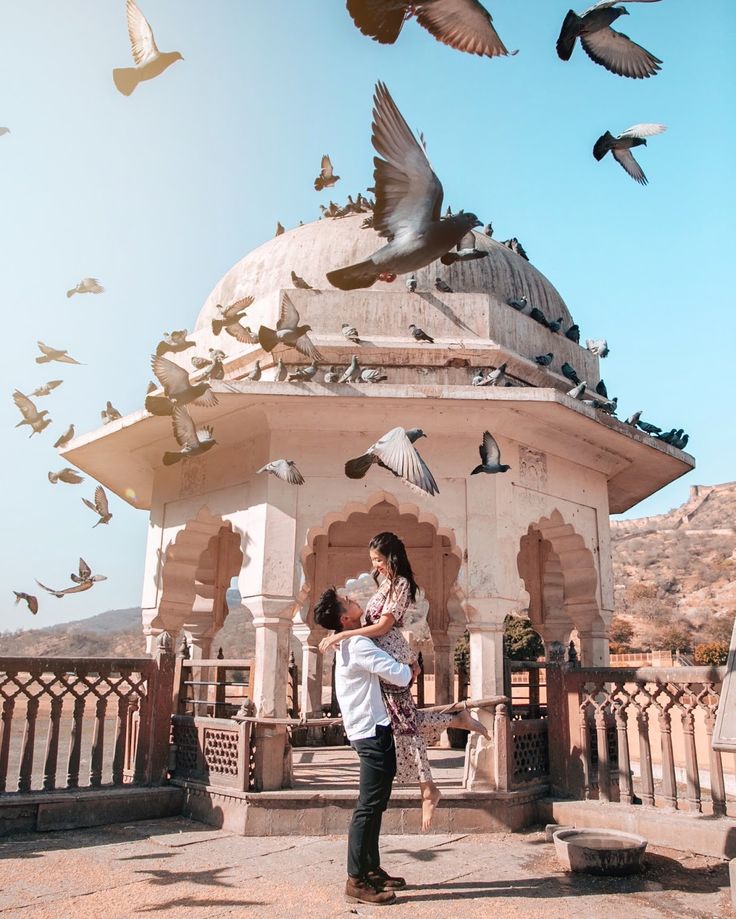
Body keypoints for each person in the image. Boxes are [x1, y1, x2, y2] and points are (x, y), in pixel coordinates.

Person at [320, 531, 489, 831]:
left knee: (403, 721)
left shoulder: (400, 585)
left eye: (379, 560)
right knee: (402, 719)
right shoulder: (384, 583)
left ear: (392, 558)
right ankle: (454, 722)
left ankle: (428, 787)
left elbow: (384, 625)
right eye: (373, 561)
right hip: (386, 657)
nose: (376, 565)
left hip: (393, 657)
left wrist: (345, 634)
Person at [314, 586, 417, 906]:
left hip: (369, 729)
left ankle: (371, 869)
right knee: (369, 806)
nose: (352, 598)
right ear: (345, 618)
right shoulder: (357, 643)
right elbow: (399, 676)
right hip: (372, 732)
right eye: (346, 601)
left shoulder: (350, 641)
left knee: (376, 803)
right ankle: (356, 878)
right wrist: (411, 668)